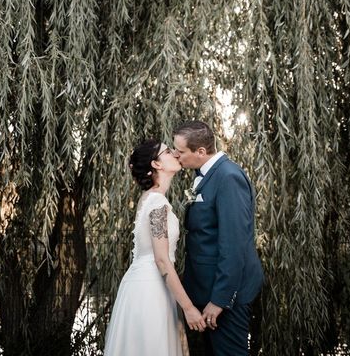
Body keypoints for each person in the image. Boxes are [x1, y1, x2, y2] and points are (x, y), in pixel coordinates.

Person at [104, 139, 207, 356]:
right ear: (157, 165)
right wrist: (188, 308)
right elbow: (161, 259)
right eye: (168, 152)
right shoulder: (157, 203)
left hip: (142, 286)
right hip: (151, 290)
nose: (175, 154)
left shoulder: (150, 199)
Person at [173, 121, 264, 356]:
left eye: (181, 151)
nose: (176, 155)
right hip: (206, 289)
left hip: (225, 296)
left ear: (200, 152)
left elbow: (234, 245)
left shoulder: (228, 177)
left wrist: (220, 300)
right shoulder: (205, 175)